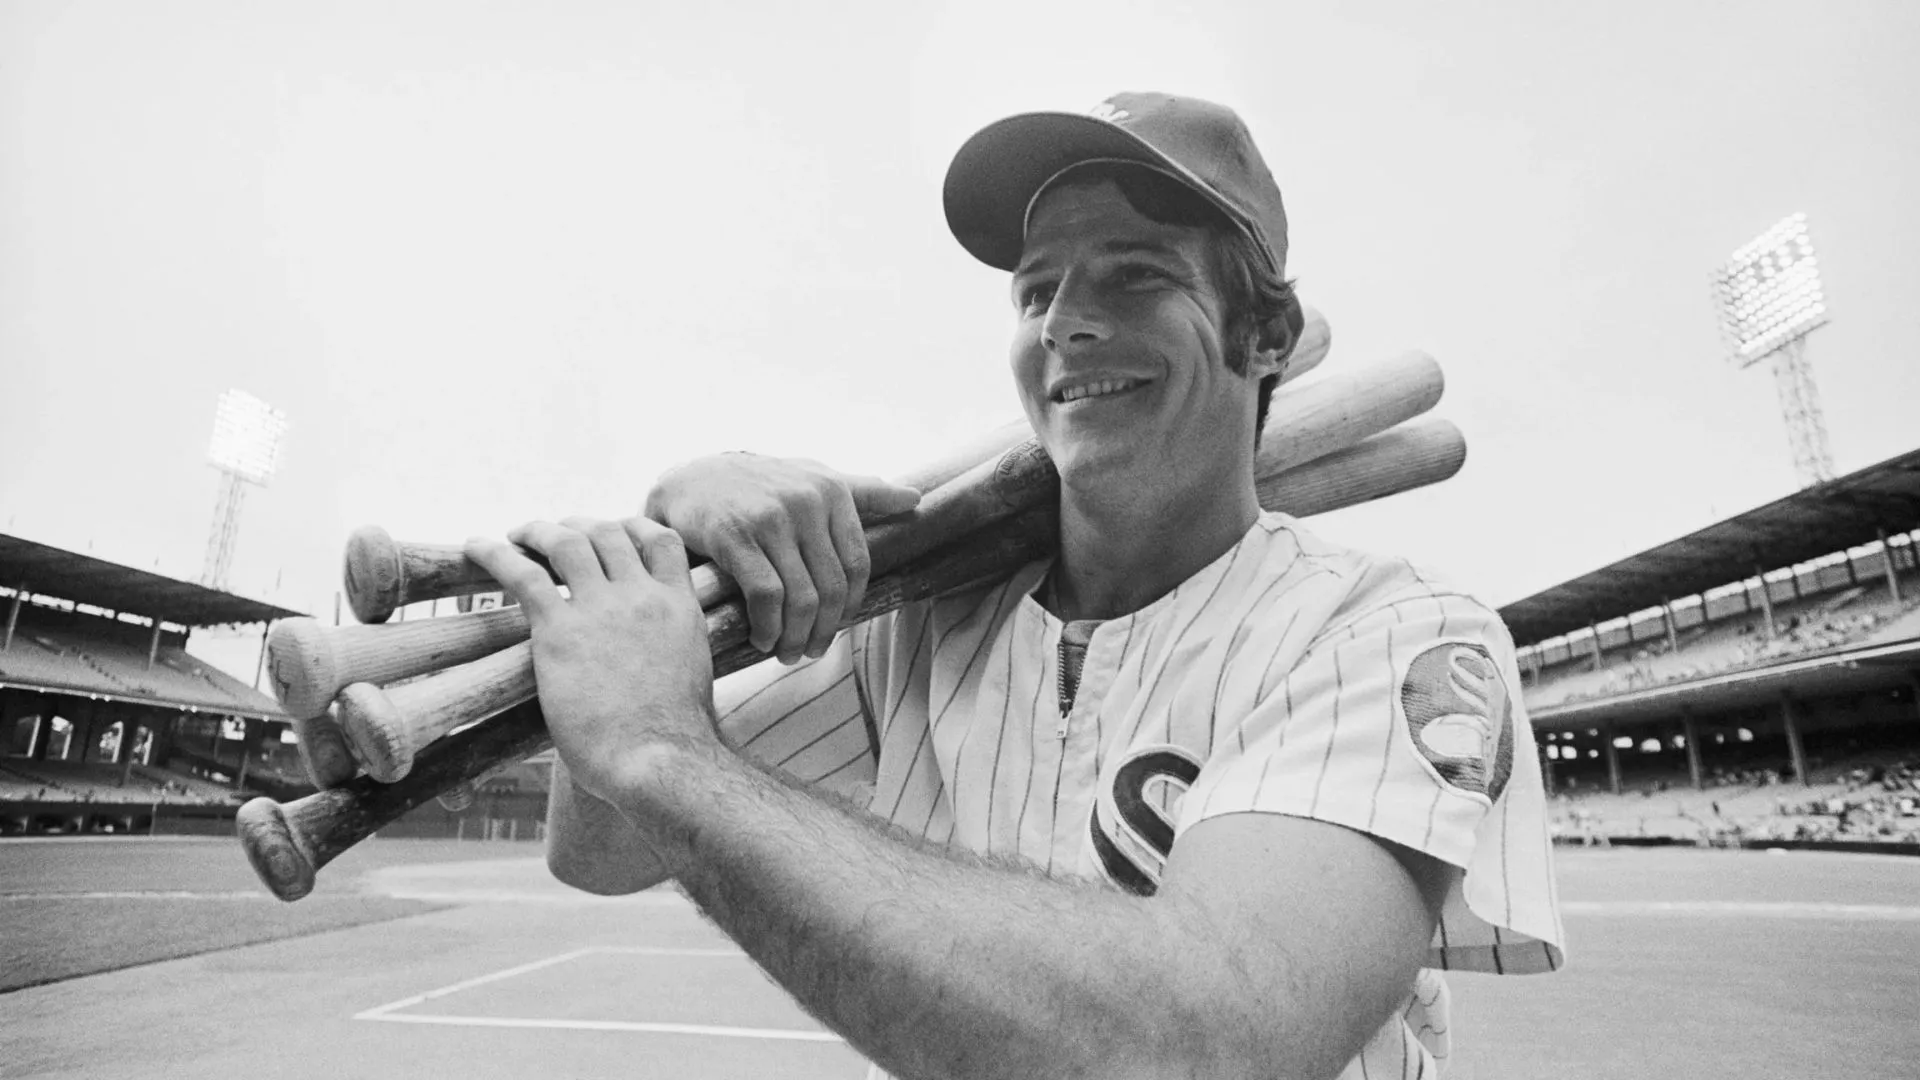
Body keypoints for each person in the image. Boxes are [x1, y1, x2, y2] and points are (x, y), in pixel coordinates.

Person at [467, 92, 1565, 1080]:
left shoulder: (1389, 631)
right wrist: (670, 564)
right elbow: (601, 847)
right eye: (1037, 290)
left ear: (1267, 332)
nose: (1065, 322)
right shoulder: (903, 628)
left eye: (1136, 273)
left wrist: (664, 749)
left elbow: (1206, 1050)